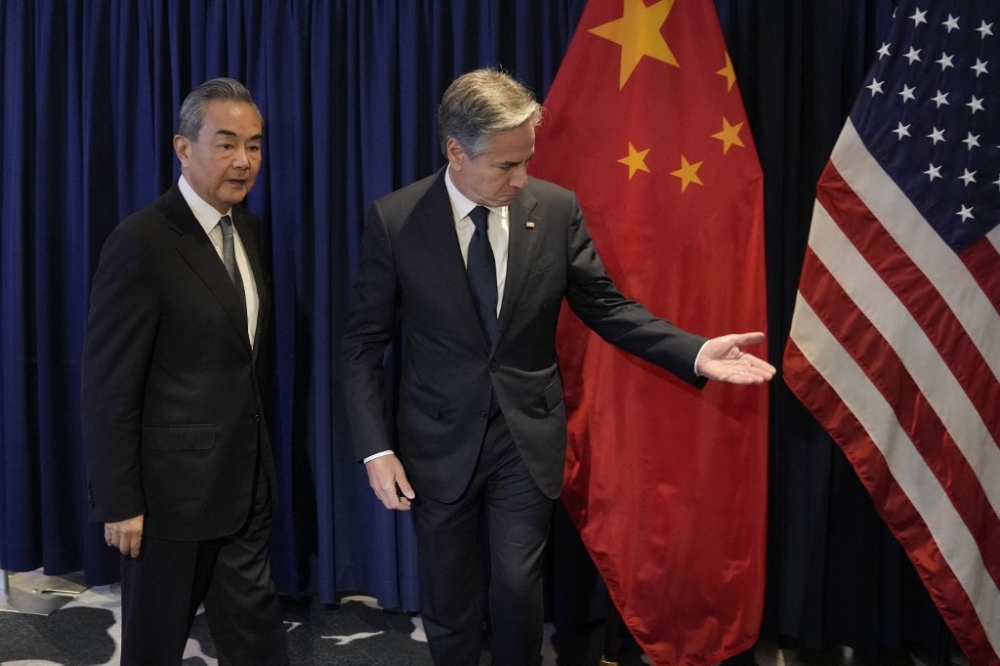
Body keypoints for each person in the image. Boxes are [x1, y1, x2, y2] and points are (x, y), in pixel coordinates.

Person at [340, 68, 776, 665]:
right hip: (437, 440)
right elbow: (363, 343)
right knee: (450, 597)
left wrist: (694, 351)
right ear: (455, 152)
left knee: (518, 589)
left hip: (525, 434)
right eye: (504, 166)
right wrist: (375, 449)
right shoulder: (396, 220)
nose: (522, 179)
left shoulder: (554, 209)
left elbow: (606, 306)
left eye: (527, 161)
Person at [81, 78, 287, 665]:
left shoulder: (249, 230)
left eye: (254, 145)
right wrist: (120, 500)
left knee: (257, 638)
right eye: (226, 144)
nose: (244, 161)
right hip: (167, 500)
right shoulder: (141, 242)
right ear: (182, 148)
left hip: (244, 484)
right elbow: (107, 383)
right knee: (154, 645)